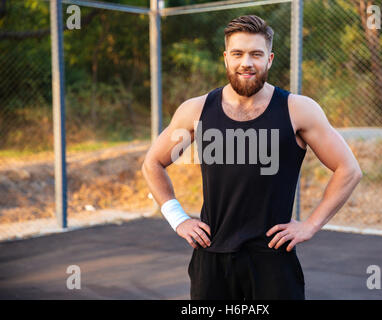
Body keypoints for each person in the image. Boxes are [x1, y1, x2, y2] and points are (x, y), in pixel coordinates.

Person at [141, 15, 362, 300]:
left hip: (272, 258)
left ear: (269, 59)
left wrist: (310, 225)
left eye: (256, 54)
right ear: (226, 58)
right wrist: (178, 218)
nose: (247, 62)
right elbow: (153, 163)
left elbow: (349, 169)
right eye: (238, 53)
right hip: (212, 256)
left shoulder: (297, 110)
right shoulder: (195, 110)